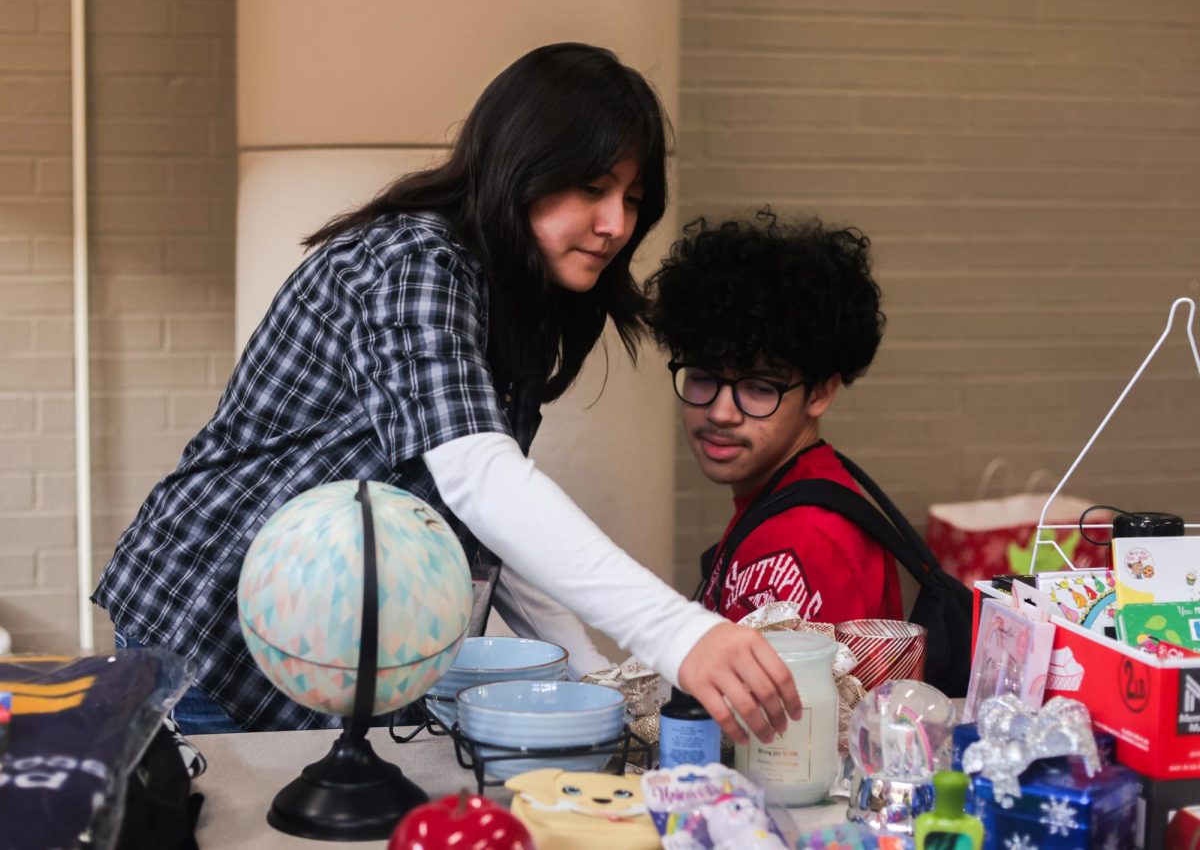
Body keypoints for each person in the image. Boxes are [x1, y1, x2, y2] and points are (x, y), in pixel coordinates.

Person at [93, 43, 800, 742]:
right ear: (522, 163)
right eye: (592, 188)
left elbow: (484, 525)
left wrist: (592, 685)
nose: (616, 224)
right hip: (216, 631)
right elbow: (479, 481)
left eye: (632, 200)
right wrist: (679, 632)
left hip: (328, 645)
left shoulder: (512, 293)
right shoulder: (415, 260)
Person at [644, 211, 903, 625]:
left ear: (821, 392)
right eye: (702, 378)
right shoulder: (802, 491)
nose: (720, 412)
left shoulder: (795, 539)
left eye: (759, 387)